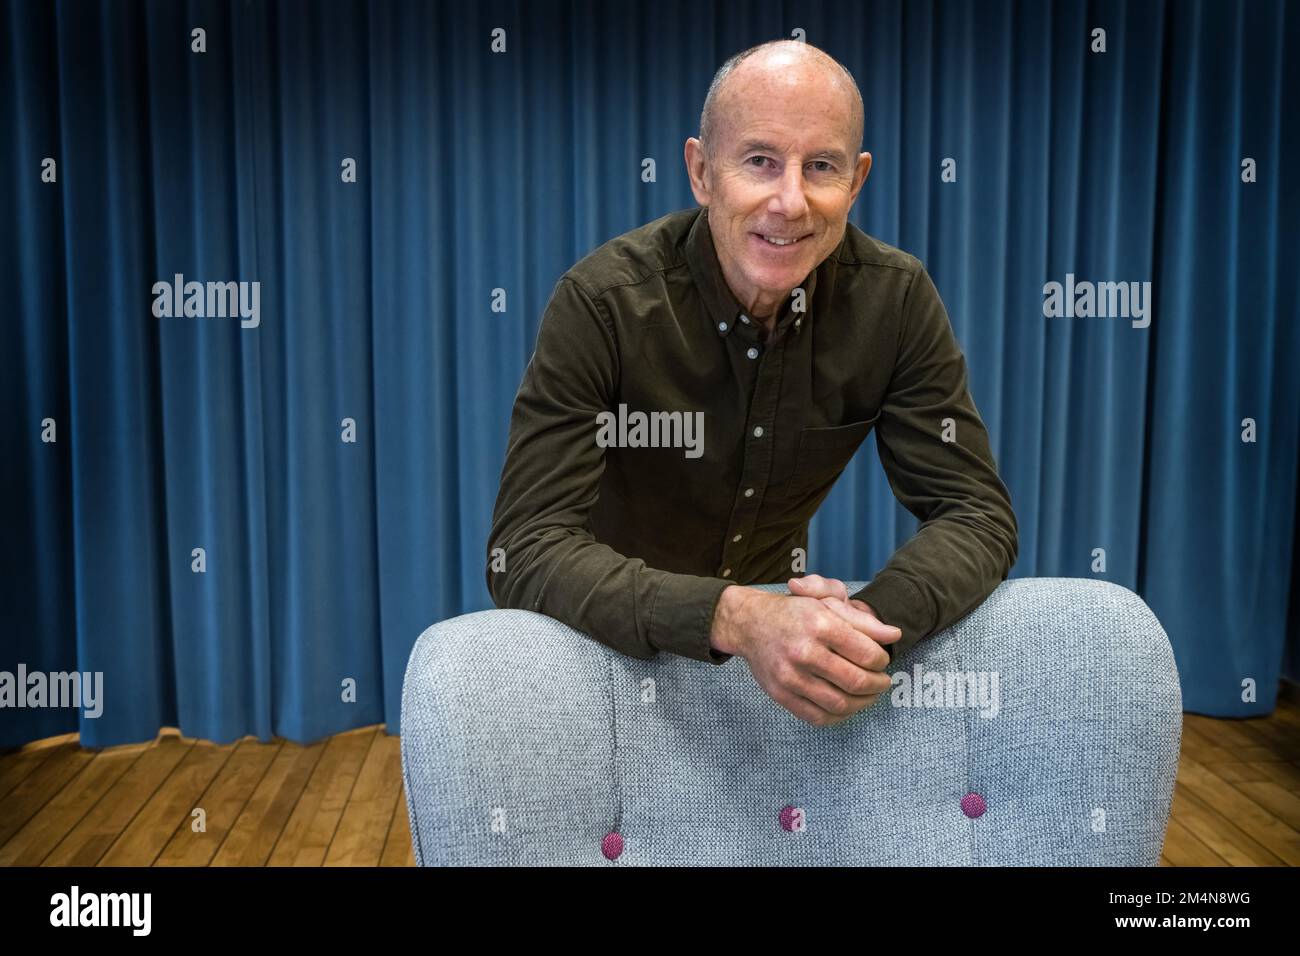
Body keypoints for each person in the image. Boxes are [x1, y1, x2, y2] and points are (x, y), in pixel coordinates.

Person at [487, 39, 1018, 727]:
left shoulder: (896, 300)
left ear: (856, 182)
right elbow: (523, 550)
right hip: (604, 659)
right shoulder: (604, 304)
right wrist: (735, 615)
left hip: (769, 681)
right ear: (702, 172)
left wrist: (855, 628)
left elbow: (977, 514)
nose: (790, 201)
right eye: (760, 161)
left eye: (820, 167)